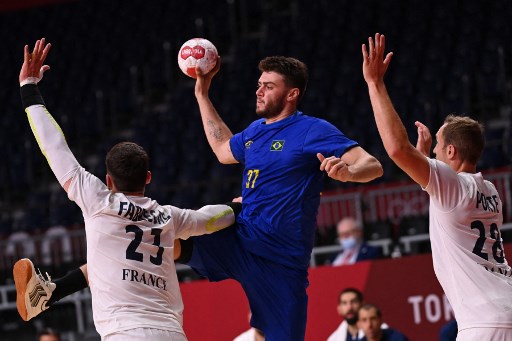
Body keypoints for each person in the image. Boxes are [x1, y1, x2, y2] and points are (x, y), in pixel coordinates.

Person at [14, 38, 240, 340]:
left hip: (125, 333)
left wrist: (29, 87)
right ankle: (53, 290)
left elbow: (54, 148)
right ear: (148, 177)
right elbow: (211, 217)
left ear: (108, 180)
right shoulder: (169, 217)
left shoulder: (97, 200)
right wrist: (239, 207)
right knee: (105, 258)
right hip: (172, 333)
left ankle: (52, 291)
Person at [180, 55, 383, 341]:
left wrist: (348, 173)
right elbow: (224, 150)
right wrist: (202, 95)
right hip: (241, 240)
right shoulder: (254, 131)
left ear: (292, 94)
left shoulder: (312, 129)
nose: (259, 91)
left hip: (281, 261)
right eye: (259, 84)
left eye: (269, 86)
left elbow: (373, 166)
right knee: (171, 235)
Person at [362, 33, 512, 340]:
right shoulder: (489, 191)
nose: (434, 152)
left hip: (485, 323)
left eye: (439, 148)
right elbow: (444, 202)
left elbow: (396, 150)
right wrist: (423, 158)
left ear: (452, 153)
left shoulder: (454, 187)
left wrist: (375, 84)